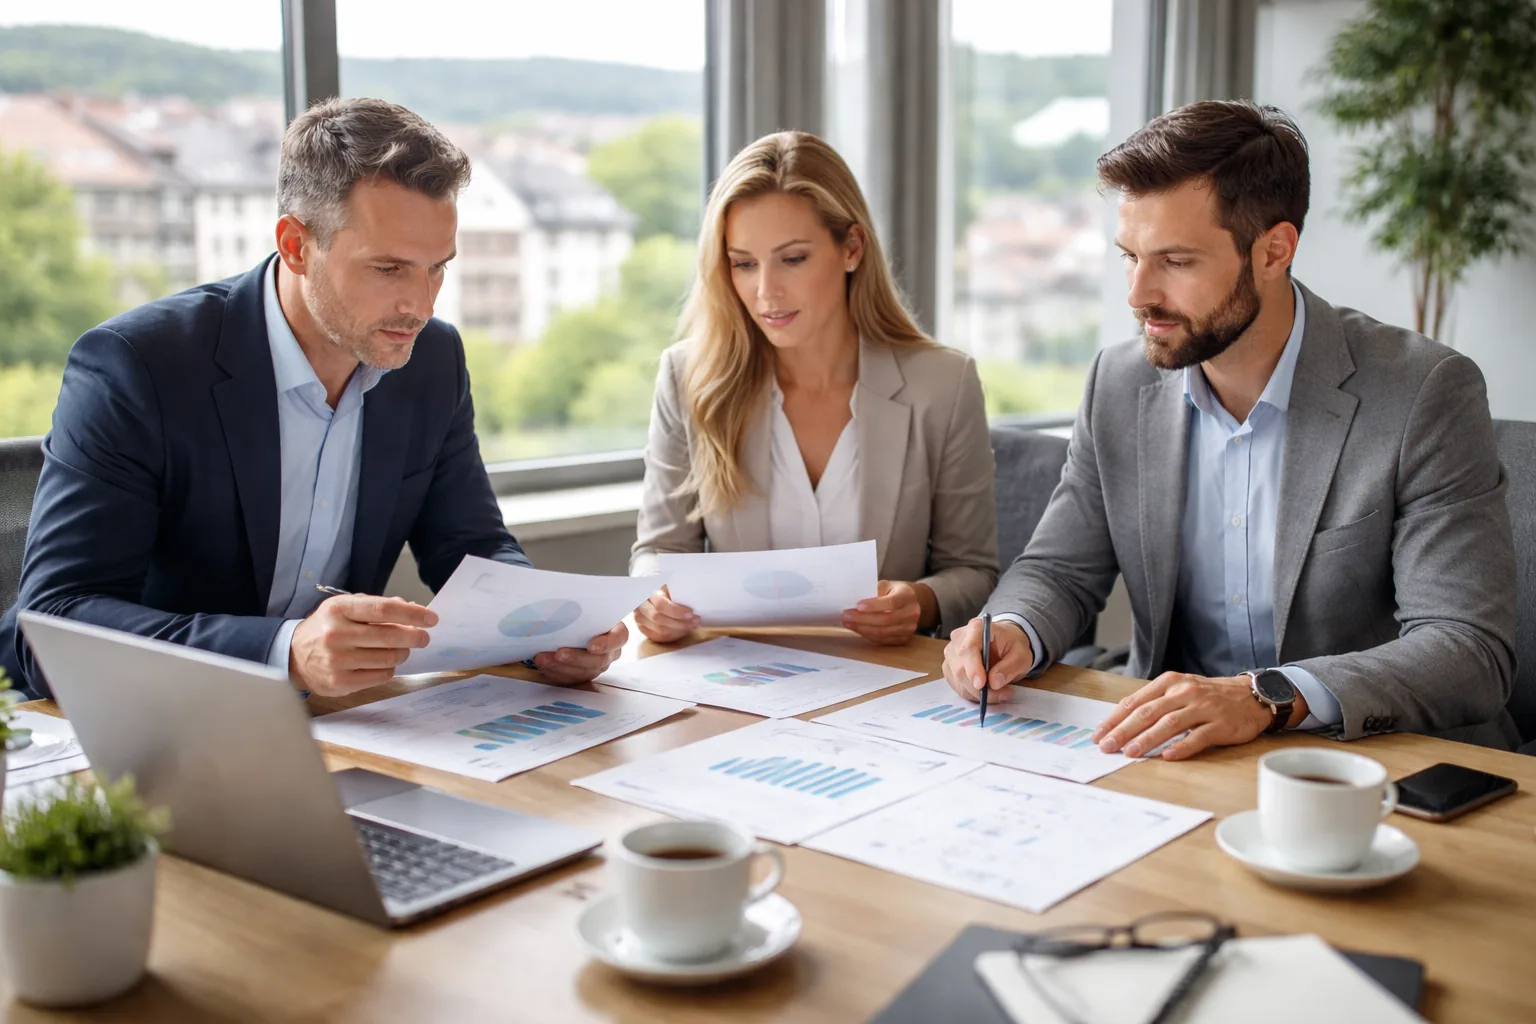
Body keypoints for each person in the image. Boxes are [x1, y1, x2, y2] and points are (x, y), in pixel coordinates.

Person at [0, 97, 627, 700]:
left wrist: (548, 629)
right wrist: (284, 651)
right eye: (388, 269)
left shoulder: (430, 359)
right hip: (164, 724)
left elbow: (470, 547)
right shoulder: (138, 365)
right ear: (297, 246)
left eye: (438, 267)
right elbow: (48, 626)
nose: (421, 304)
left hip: (343, 721)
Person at [943, 100, 1518, 756]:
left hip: (1369, 762)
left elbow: (1467, 649)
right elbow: (1060, 569)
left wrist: (1264, 696)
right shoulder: (1119, 382)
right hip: (1181, 750)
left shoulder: (1422, 393)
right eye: (1129, 256)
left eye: (1176, 262)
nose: (1138, 293)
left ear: (1274, 251)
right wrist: (1013, 627)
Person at [631, 131, 998, 646]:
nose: (766, 292)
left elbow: (974, 572)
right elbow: (657, 553)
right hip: (739, 682)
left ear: (851, 248)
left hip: (884, 684)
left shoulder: (943, 385)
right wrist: (652, 598)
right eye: (744, 263)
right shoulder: (689, 377)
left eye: (793, 259)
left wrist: (919, 602)